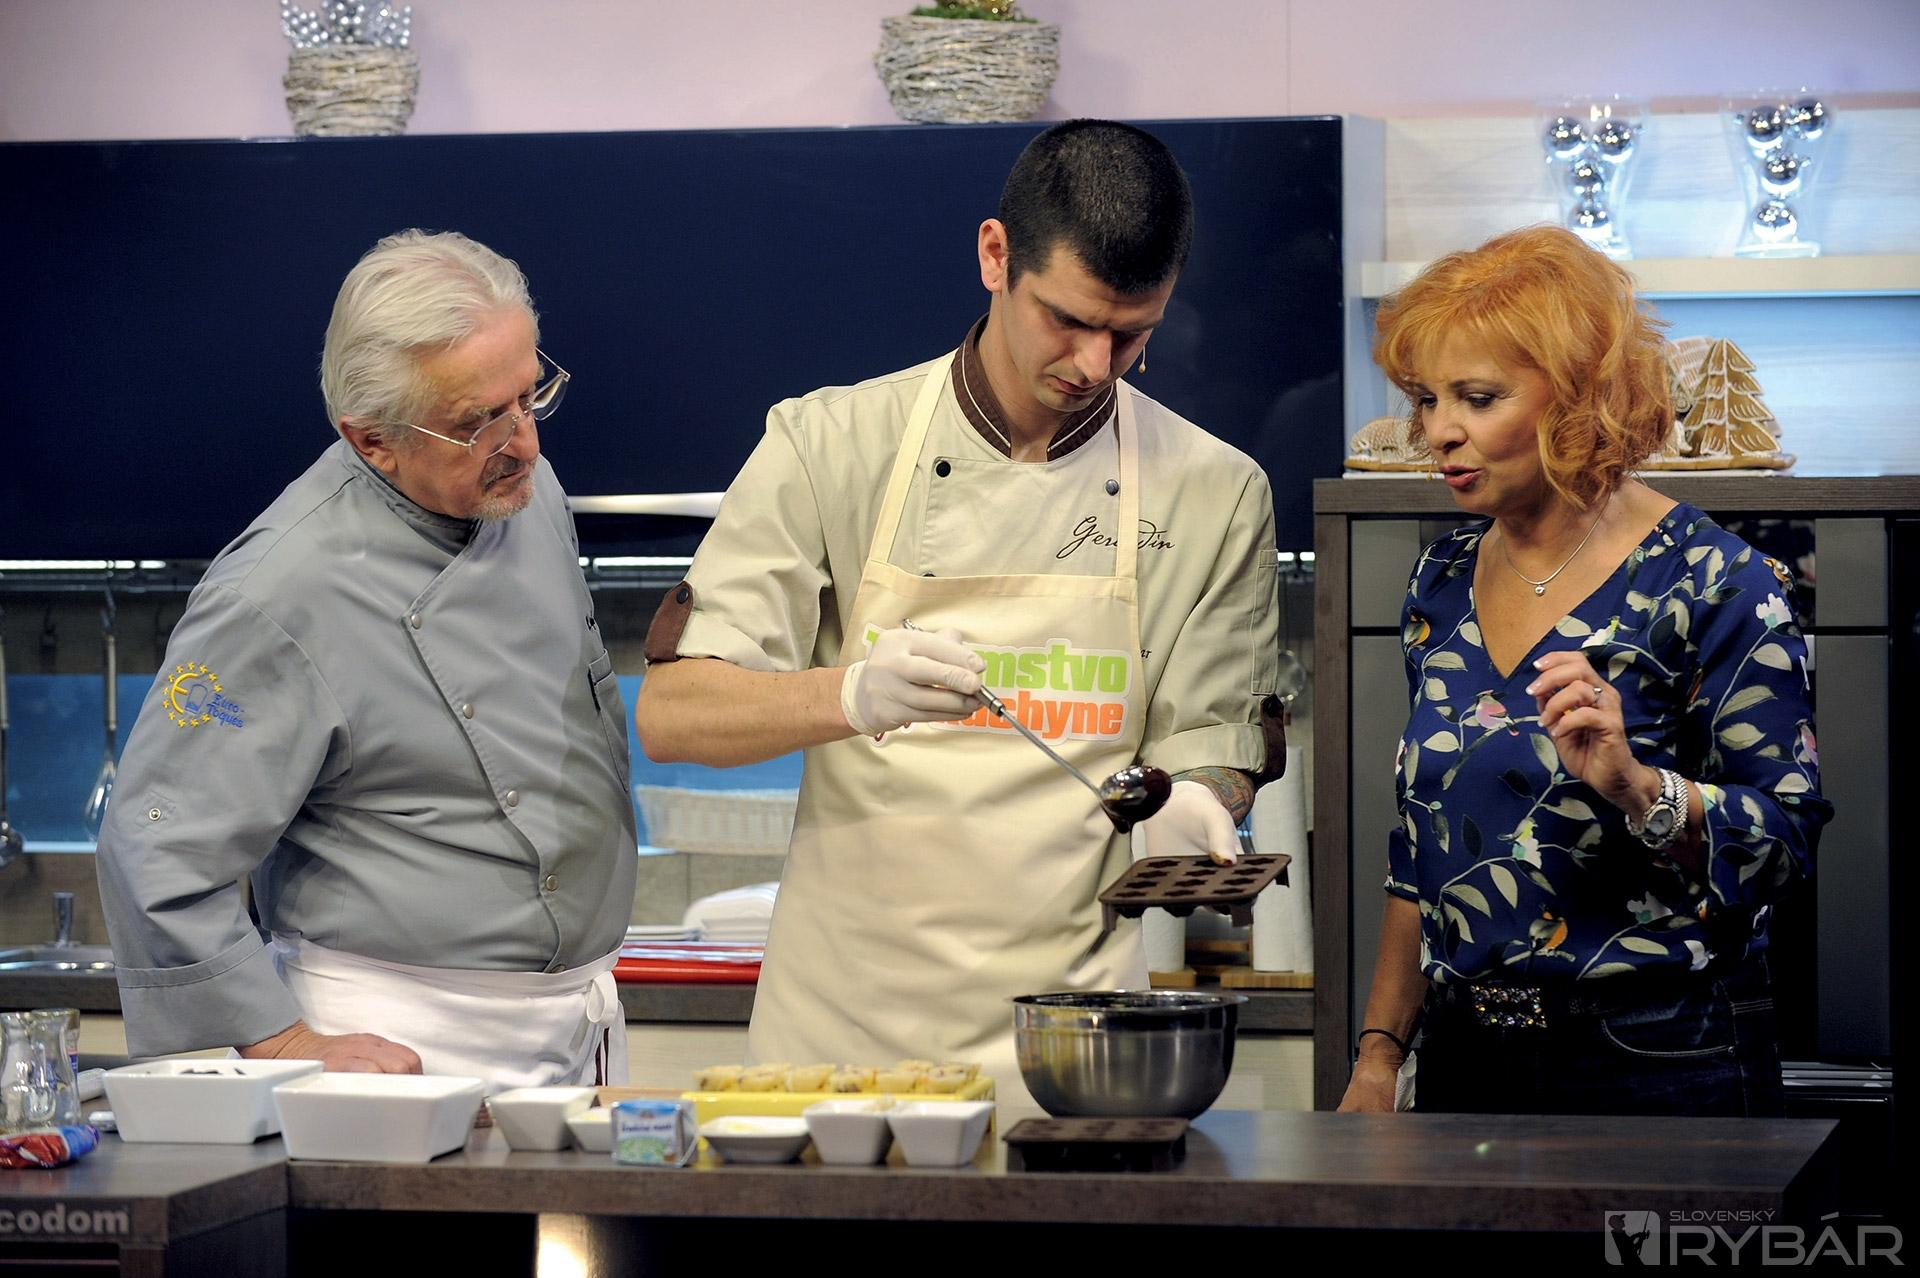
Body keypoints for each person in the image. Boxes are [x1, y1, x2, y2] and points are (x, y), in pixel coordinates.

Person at [635, 120, 1286, 1089]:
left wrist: (1198, 800)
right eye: (1066, 319)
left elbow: (1214, 740)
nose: (1095, 363)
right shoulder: (829, 445)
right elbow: (672, 715)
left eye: (1131, 333)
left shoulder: (1215, 493)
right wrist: (849, 696)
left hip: (1072, 1055)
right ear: (994, 256)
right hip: (838, 1051)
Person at [96, 230, 637, 1090]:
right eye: (477, 423)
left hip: (575, 1018)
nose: (526, 445)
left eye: (529, 397)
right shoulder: (278, 589)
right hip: (396, 1036)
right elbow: (155, 843)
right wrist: (280, 1044)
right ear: (372, 440)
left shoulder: (529, 497)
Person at [1338, 225, 1830, 1117]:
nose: (1439, 431)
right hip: (1464, 1059)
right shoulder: (1441, 580)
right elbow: (1421, 851)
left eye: (1477, 398)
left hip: (1659, 1055)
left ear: (1578, 397)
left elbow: (1783, 845)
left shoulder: (1714, 581)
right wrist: (1379, 1057)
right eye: (1426, 399)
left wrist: (1640, 788)